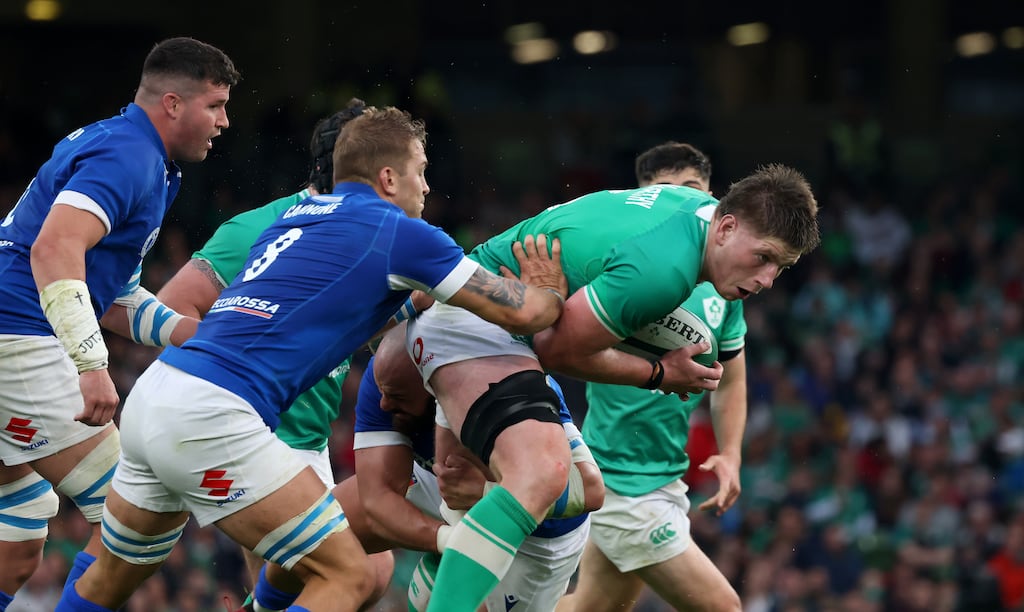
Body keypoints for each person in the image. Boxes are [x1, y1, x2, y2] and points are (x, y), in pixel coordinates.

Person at [54, 106, 568, 612]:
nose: (428, 187)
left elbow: (340, 304)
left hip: (155, 395)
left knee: (110, 577)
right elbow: (522, 313)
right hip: (217, 416)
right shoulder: (402, 234)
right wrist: (546, 291)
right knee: (348, 574)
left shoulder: (294, 217)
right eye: (421, 172)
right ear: (389, 178)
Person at [406, 161, 821, 611]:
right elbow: (557, 351)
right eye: (763, 258)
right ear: (725, 226)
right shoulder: (662, 273)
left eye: (781, 267)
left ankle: (450, 557)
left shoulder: (695, 217)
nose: (767, 280)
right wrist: (662, 374)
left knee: (586, 506)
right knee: (539, 481)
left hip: (491, 325)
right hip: (478, 328)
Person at [0, 37, 239, 610]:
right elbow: (54, 251)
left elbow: (111, 297)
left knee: (18, 537)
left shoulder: (132, 151)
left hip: (14, 334)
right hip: (17, 341)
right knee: (142, 516)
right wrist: (91, 364)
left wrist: (195, 336)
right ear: (174, 104)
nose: (225, 122)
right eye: (215, 105)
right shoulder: (128, 156)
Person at [154, 98, 392, 608]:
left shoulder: (364, 233)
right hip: (257, 430)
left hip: (310, 441)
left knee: (368, 573)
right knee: (331, 575)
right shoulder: (257, 228)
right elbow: (172, 306)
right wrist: (242, 367)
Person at [557, 142, 745, 611]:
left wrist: (732, 453)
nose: (681, 200)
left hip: (663, 476)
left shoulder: (725, 287)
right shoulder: (633, 271)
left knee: (594, 608)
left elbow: (734, 378)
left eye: (692, 190)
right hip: (622, 479)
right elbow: (562, 346)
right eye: (665, 191)